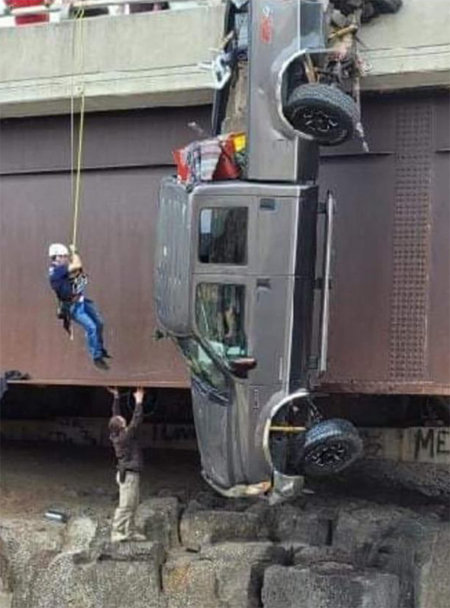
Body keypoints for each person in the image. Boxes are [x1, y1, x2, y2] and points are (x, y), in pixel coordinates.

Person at [48, 243, 110, 370]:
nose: (66, 258)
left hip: (80, 301)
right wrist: (75, 252)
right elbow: (77, 265)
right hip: (73, 307)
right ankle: (96, 356)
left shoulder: (61, 271)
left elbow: (76, 271)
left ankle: (99, 348)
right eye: (64, 256)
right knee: (91, 327)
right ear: (57, 258)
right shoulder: (57, 271)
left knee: (99, 323)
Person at [108, 387, 147, 543]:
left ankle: (129, 532)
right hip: (129, 475)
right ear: (121, 426)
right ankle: (116, 532)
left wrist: (116, 398)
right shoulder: (124, 438)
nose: (124, 419)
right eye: (122, 421)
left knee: (133, 505)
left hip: (130, 474)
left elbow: (115, 416)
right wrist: (139, 400)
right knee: (125, 506)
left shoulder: (116, 434)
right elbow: (136, 421)